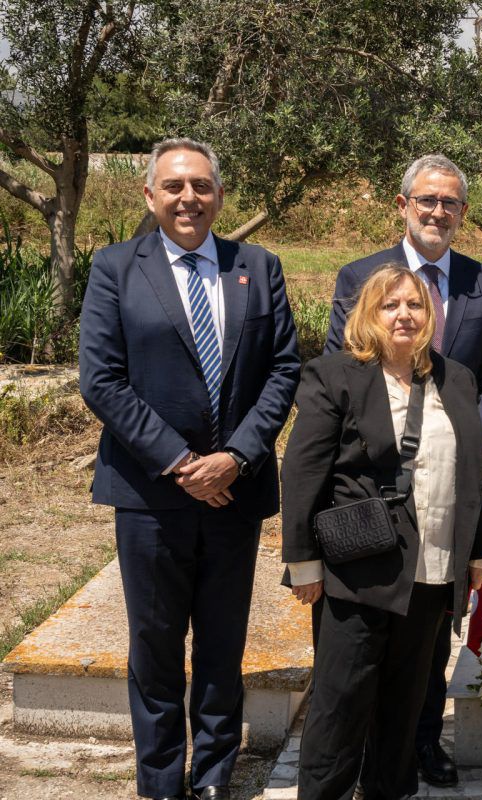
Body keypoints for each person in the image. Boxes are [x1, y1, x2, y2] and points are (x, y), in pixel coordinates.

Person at [79, 137, 300, 800]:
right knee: (154, 648)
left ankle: (211, 777)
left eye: (202, 185)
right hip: (150, 497)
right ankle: (159, 783)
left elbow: (284, 369)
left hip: (233, 494)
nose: (189, 198)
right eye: (174, 186)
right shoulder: (116, 268)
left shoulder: (257, 267)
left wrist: (235, 457)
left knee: (221, 648)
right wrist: (180, 462)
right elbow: (103, 380)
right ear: (150, 195)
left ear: (219, 195)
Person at [324, 154, 482, 788]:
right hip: (373, 496)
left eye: (450, 203)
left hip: (445, 495)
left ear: (463, 213)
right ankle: (349, 761)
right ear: (402, 206)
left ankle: (417, 748)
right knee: (361, 644)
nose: (438, 212)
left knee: (430, 638)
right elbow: (338, 381)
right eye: (426, 201)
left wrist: (459, 442)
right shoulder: (359, 276)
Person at [282, 265, 482, 800]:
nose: (404, 315)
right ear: (369, 315)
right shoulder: (334, 375)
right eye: (390, 305)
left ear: (431, 316)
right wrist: (304, 563)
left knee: (405, 701)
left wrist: (480, 551)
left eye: (415, 305)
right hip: (360, 567)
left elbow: (475, 466)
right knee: (342, 700)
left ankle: (390, 790)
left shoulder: (458, 378)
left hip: (435, 567)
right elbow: (303, 472)